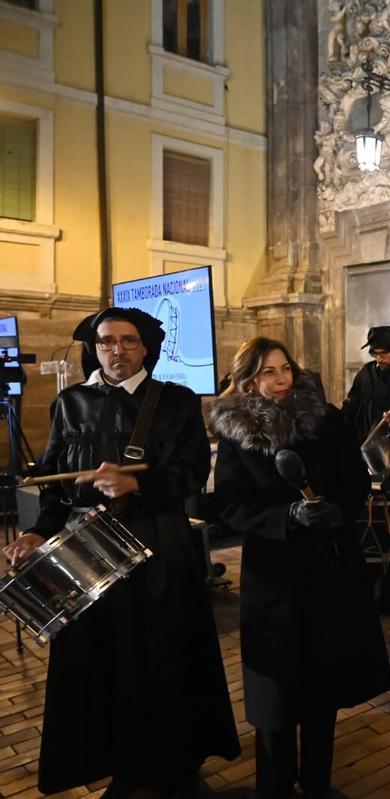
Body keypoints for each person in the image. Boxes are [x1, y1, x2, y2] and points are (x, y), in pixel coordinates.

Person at [4, 307, 239, 798]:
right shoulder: (71, 402)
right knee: (101, 661)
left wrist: (138, 482)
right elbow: (53, 480)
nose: (117, 351)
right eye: (107, 341)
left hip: (158, 545)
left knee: (163, 656)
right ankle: (118, 763)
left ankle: (176, 764)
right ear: (96, 347)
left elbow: (193, 472)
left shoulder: (175, 400)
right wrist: (37, 533)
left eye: (128, 341)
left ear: (145, 347)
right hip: (86, 549)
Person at [208, 337, 390, 799]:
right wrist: (284, 518)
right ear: (248, 379)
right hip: (273, 576)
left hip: (329, 570)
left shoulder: (326, 420)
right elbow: (230, 506)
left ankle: (316, 783)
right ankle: (273, 785)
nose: (281, 379)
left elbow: (355, 479)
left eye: (285, 368)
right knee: (274, 690)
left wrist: (338, 509)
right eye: (269, 372)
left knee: (321, 686)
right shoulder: (236, 432)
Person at [343, 325, 390, 444]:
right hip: (365, 444)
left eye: (383, 354)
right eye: (375, 354)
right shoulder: (365, 373)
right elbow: (352, 405)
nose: (379, 359)